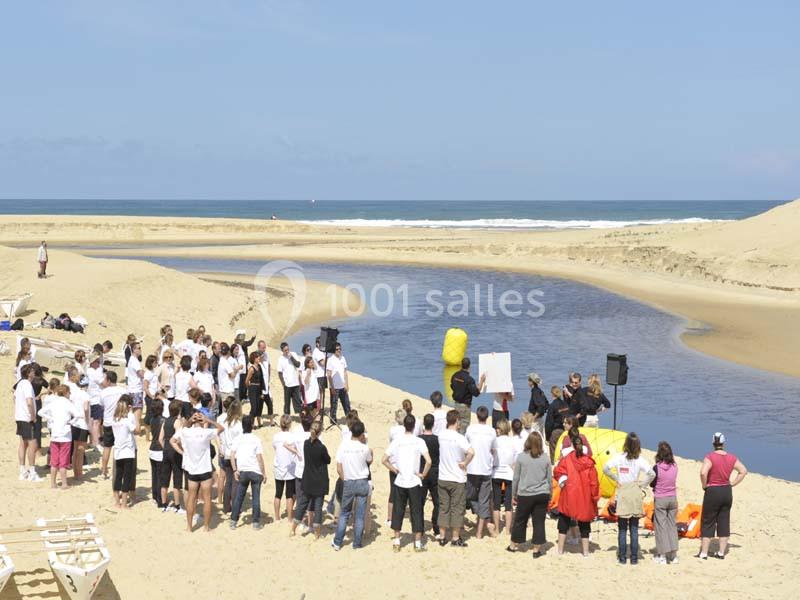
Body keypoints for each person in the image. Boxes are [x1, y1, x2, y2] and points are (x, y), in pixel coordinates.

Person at [603, 432, 654, 565]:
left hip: (623, 491)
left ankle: (622, 557)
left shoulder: (619, 458)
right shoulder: (640, 460)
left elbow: (605, 468)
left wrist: (616, 479)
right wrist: (642, 484)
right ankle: (634, 557)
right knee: (634, 527)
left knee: (622, 527)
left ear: (625, 444)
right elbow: (652, 474)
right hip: (635, 491)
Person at [383, 415, 432, 552]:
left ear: (404, 425)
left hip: (400, 480)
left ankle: (397, 541)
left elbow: (384, 459)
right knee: (416, 511)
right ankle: (417, 543)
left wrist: (394, 470)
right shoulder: (419, 441)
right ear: (414, 425)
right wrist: (423, 474)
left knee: (398, 511)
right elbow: (428, 461)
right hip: (414, 481)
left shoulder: (397, 441)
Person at [170, 412, 225, 532]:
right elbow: (221, 428)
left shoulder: (184, 431)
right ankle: (206, 527)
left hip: (192, 470)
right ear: (201, 421)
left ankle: (189, 527)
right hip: (205, 470)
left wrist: (182, 452)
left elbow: (172, 441)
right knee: (207, 498)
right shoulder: (205, 433)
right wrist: (208, 420)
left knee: (191, 498)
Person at [698, 432, 747, 560]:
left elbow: (703, 473)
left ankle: (704, 553)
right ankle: (721, 552)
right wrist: (732, 484)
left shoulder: (710, 457)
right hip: (726, 490)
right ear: (723, 443)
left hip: (713, 490)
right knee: (724, 520)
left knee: (708, 521)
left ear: (713, 443)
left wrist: (704, 485)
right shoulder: (731, 457)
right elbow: (743, 471)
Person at [508, 432, 552, 557]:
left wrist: (514, 494)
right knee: (539, 522)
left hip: (525, 493)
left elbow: (516, 478)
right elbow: (550, 478)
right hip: (542, 493)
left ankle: (513, 545)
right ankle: (536, 550)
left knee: (520, 520)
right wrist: (551, 494)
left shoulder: (521, 457)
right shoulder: (545, 458)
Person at [554, 434, 599, 557]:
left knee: (563, 522)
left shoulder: (567, 459)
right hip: (584, 497)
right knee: (584, 524)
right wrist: (595, 498)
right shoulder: (589, 463)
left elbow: (557, 471)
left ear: (572, 446)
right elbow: (594, 483)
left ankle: (560, 550)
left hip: (568, 494)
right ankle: (585, 552)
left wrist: (563, 480)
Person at [332, 420, 373, 551]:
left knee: (344, 513)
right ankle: (357, 543)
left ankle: (338, 542)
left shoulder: (344, 446)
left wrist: (346, 479)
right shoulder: (364, 448)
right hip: (362, 481)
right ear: (362, 434)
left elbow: (338, 467)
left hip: (349, 481)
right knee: (359, 515)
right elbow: (369, 460)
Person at [436, 409, 474, 547]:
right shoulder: (459, 438)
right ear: (457, 421)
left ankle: (441, 536)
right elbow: (471, 452)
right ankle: (455, 537)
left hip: (443, 476)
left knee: (444, 507)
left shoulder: (441, 435)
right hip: (457, 478)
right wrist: (465, 463)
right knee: (457, 508)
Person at [291, 420, 330, 539]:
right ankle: (317, 534)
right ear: (320, 432)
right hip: (318, 480)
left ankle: (293, 529)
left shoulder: (306, 444)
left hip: (307, 479)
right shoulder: (321, 447)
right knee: (317, 507)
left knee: (302, 505)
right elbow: (327, 460)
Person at [38, 384, 82, 489]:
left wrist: (51, 418)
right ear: (66, 393)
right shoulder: (68, 403)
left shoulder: (54, 402)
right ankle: (64, 483)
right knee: (64, 461)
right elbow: (78, 415)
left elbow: (40, 412)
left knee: (54, 461)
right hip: (65, 435)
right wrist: (70, 422)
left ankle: (53, 484)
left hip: (55, 434)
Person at [466, 406, 497, 539]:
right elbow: (494, 450)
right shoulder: (491, 431)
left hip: (472, 468)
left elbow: (466, 446)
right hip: (485, 468)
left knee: (470, 496)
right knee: (483, 500)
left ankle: (482, 527)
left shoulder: (471, 429)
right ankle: (480, 531)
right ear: (487, 417)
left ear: (477, 416)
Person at [230, 415, 266, 529]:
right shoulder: (256, 439)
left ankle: (233, 521)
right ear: (252, 425)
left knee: (239, 497)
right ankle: (255, 523)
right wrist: (264, 473)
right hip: (255, 471)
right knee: (256, 497)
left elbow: (232, 455)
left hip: (243, 471)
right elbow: (259, 457)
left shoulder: (238, 439)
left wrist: (235, 469)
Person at [652, 441, 679, 565]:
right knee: (672, 526)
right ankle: (673, 555)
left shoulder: (657, 467)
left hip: (661, 498)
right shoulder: (675, 466)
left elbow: (653, 482)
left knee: (661, 527)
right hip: (672, 498)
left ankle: (662, 555)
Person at [14, 364, 41, 481]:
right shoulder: (27, 384)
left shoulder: (20, 383)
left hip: (20, 417)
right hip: (27, 418)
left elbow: (14, 398)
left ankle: (22, 471)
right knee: (32, 444)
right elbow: (29, 402)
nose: (34, 372)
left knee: (22, 444)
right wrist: (33, 416)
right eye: (31, 370)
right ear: (28, 373)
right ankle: (32, 472)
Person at [111, 397, 138, 508]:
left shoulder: (114, 420)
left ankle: (117, 502)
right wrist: (133, 414)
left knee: (118, 476)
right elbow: (136, 430)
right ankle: (124, 504)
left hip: (118, 450)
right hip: (128, 451)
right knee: (126, 477)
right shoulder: (127, 420)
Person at [159, 400, 185, 513]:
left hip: (165, 451)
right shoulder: (177, 421)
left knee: (164, 479)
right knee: (177, 479)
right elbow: (179, 438)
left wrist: (166, 447)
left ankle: (164, 504)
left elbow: (160, 439)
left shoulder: (165, 421)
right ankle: (177, 505)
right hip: (175, 452)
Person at [491, 419, 516, 535]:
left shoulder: (495, 441)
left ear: (501, 429)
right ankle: (507, 530)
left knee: (496, 503)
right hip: (509, 473)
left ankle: (496, 528)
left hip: (496, 472)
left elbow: (492, 457)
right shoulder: (512, 441)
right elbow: (515, 460)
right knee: (508, 504)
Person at [219, 400, 243, 514]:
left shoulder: (224, 421)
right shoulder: (238, 424)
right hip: (235, 455)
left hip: (226, 454)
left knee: (228, 481)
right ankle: (235, 508)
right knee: (235, 482)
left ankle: (226, 507)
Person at [449, 357, 486, 434]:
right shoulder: (469, 380)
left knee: (457, 426)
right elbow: (476, 393)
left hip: (456, 404)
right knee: (464, 428)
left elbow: (452, 386)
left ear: (461, 365)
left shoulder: (455, 376)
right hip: (465, 407)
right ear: (469, 366)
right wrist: (482, 381)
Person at [100, 371, 126, 478]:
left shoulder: (103, 392)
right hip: (119, 421)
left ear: (109, 380)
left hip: (108, 422)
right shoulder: (123, 390)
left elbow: (102, 406)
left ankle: (104, 471)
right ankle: (115, 471)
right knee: (118, 448)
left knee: (107, 447)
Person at [66, 368, 90, 478]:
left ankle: (75, 472)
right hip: (82, 422)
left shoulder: (74, 393)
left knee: (75, 449)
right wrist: (87, 421)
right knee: (81, 450)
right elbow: (86, 409)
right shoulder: (85, 395)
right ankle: (79, 473)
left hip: (74, 422)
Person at [272, 414, 297, 521]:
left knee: (278, 494)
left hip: (278, 466)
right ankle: (290, 518)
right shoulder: (292, 437)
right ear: (289, 424)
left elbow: (275, 448)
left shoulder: (276, 436)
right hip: (290, 468)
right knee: (289, 495)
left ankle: (277, 517)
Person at [419, 414, 440, 537]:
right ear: (433, 424)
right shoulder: (437, 439)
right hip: (434, 472)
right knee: (437, 502)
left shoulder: (419, 439)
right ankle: (436, 526)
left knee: (420, 502)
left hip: (422, 472)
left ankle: (420, 528)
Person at [148, 398, 167, 508]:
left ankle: (155, 496)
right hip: (160, 449)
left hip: (152, 448)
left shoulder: (152, 420)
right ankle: (160, 499)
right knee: (161, 476)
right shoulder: (163, 420)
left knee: (154, 475)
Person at [326, 342, 350, 424]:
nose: (339, 350)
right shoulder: (330, 360)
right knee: (334, 405)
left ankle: (349, 419)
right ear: (334, 350)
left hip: (343, 386)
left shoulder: (343, 358)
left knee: (346, 404)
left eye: (340, 349)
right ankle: (333, 420)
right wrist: (332, 387)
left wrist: (346, 384)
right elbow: (329, 375)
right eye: (337, 349)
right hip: (335, 387)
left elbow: (345, 372)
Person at [544, 385, 570, 459]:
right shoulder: (565, 404)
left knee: (554, 452)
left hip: (556, 431)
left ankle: (555, 466)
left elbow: (549, 423)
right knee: (564, 450)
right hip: (566, 430)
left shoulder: (552, 406)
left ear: (552, 394)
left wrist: (547, 437)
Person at [86, 354, 105, 450]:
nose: (99, 363)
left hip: (91, 399)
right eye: (97, 361)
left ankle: (93, 441)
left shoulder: (88, 371)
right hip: (96, 399)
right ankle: (96, 443)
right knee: (97, 422)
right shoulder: (94, 372)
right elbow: (103, 383)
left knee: (92, 421)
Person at [278, 343, 302, 416]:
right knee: (287, 402)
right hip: (287, 384)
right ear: (282, 350)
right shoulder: (281, 359)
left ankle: (301, 417)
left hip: (296, 383)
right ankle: (286, 416)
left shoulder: (293, 354)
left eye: (288, 349)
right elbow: (279, 372)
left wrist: (291, 357)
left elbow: (298, 364)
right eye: (285, 350)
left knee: (298, 401)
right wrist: (283, 383)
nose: (287, 351)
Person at [126, 342, 145, 427]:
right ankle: (136, 430)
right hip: (136, 389)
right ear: (134, 349)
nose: (140, 350)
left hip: (132, 388)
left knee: (133, 411)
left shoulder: (132, 359)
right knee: (137, 412)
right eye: (139, 348)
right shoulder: (134, 360)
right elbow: (141, 374)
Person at [245, 352, 266, 427]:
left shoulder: (259, 367)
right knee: (253, 407)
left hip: (259, 388)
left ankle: (254, 422)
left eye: (259, 357)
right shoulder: (251, 369)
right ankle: (251, 423)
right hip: (253, 389)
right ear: (254, 359)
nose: (259, 358)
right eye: (257, 357)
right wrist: (250, 388)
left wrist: (262, 391)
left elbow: (261, 379)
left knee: (257, 406)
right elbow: (246, 381)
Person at [526, 373, 548, 438]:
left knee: (534, 437)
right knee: (540, 437)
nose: (528, 382)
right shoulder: (539, 391)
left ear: (532, 382)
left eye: (529, 380)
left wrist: (534, 417)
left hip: (536, 420)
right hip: (540, 419)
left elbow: (541, 406)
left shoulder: (535, 392)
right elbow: (546, 404)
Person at [312, 336, 327, 405]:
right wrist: (327, 357)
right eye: (320, 343)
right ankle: (318, 408)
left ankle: (320, 407)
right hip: (319, 375)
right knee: (319, 393)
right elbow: (323, 363)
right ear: (317, 343)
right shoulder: (317, 352)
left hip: (322, 375)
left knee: (322, 393)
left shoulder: (321, 351)